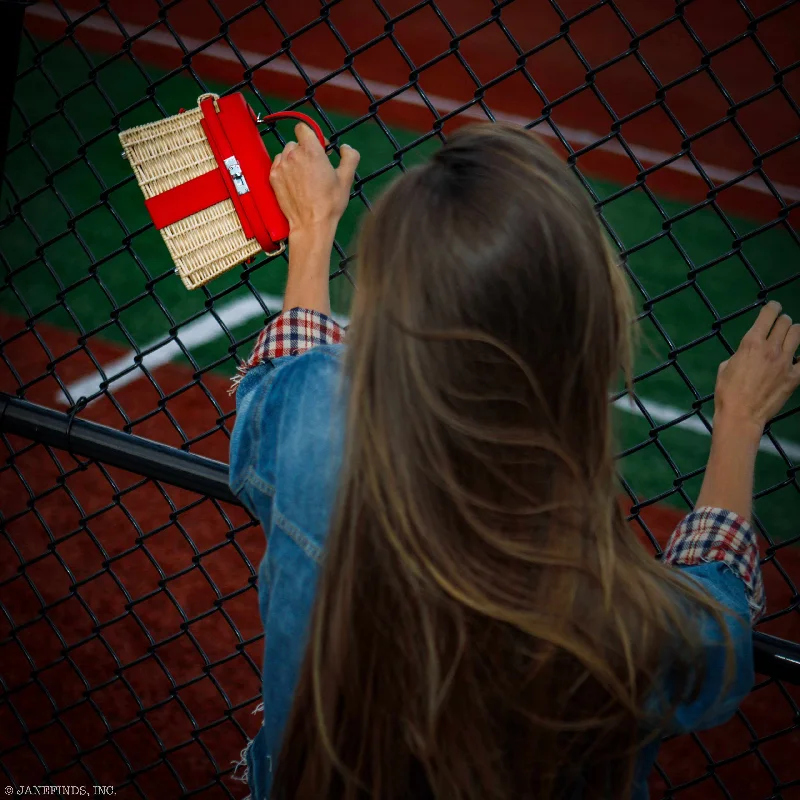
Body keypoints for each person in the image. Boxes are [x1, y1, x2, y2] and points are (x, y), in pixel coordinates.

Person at [229, 122, 800, 800]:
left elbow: (286, 378)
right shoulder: (608, 613)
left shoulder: (312, 429)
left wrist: (313, 230)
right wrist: (738, 422)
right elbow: (718, 619)